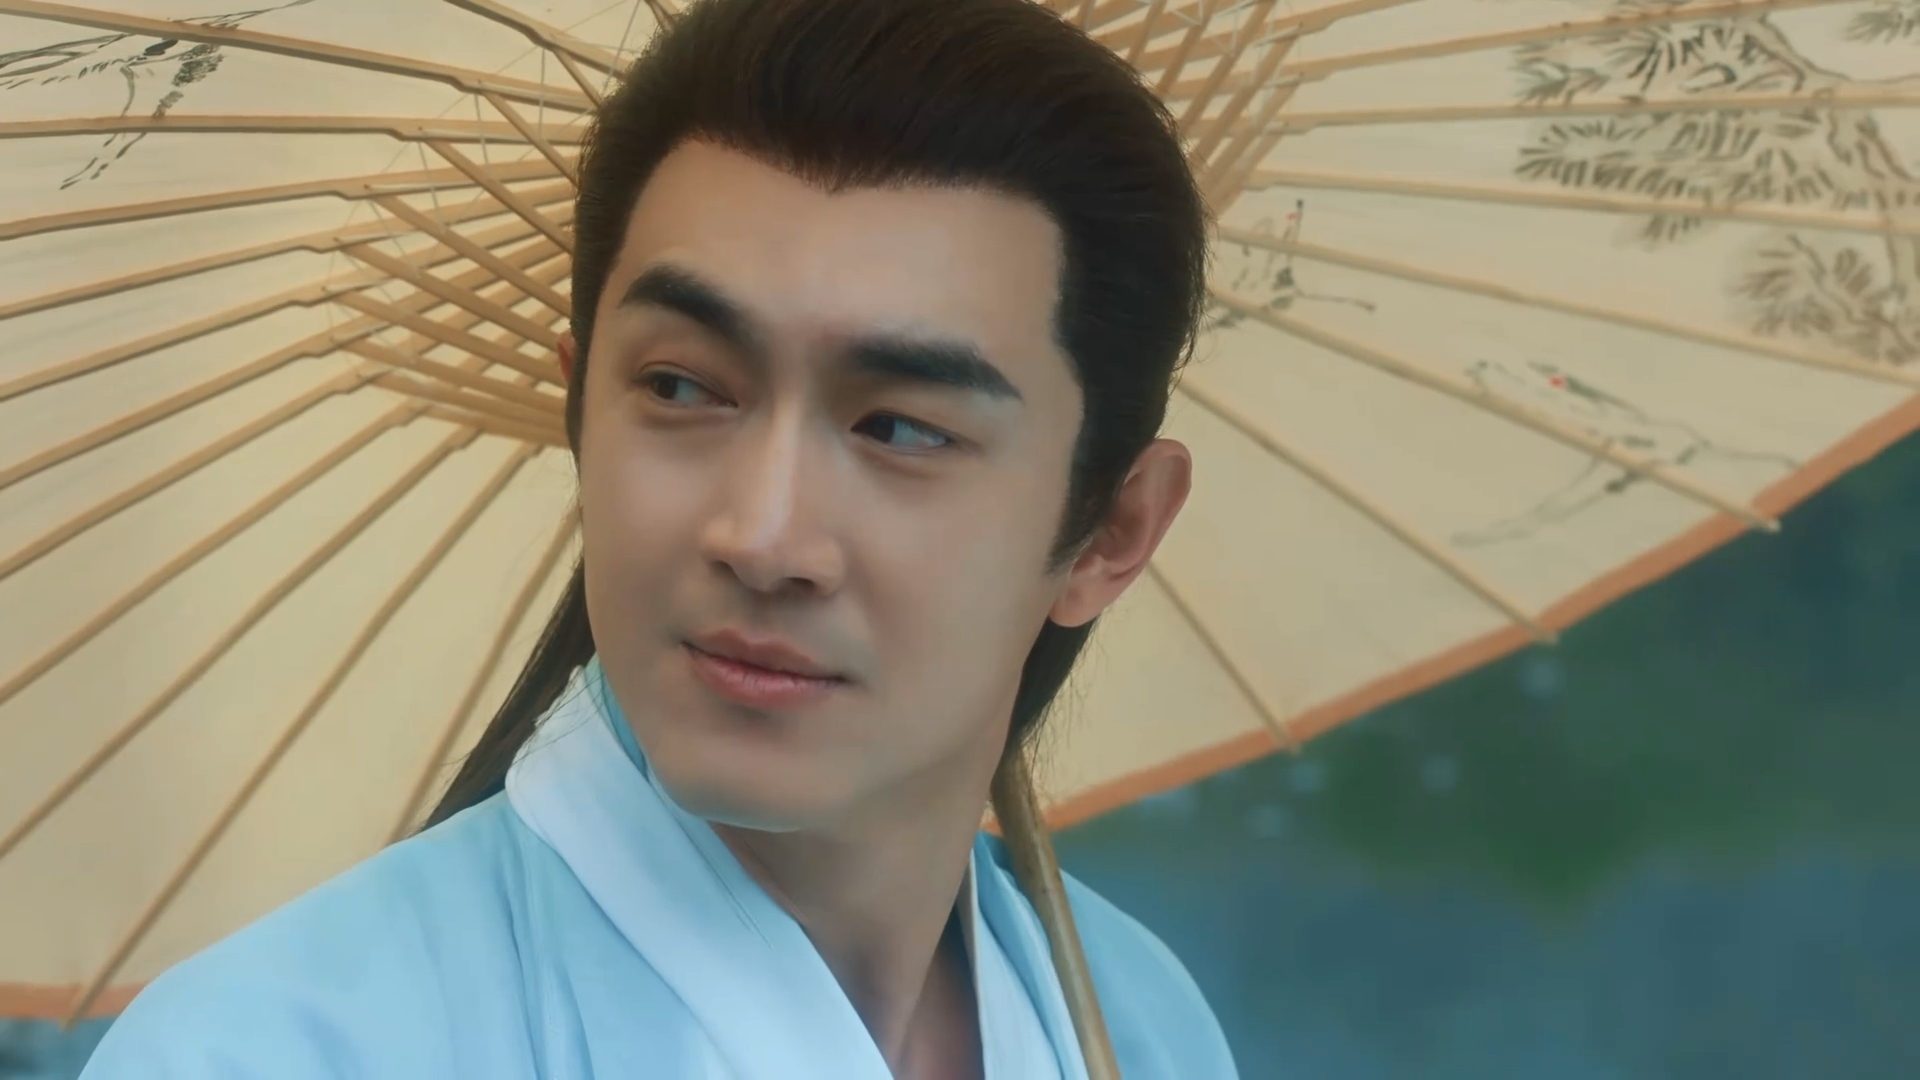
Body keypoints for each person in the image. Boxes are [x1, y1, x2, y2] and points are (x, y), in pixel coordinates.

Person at [79, 0, 1233, 1076]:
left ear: (1112, 531)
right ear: (579, 407)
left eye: (898, 427)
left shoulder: (1137, 1025)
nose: (762, 537)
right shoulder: (275, 1047)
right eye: (682, 387)